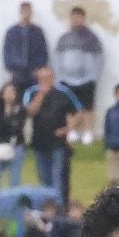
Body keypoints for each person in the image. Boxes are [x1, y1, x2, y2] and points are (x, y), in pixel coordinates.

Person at [24, 67, 76, 203]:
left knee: (58, 178)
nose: (44, 81)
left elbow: (76, 114)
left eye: (47, 78)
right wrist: (40, 95)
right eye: (41, 78)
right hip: (39, 142)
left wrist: (67, 129)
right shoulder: (32, 92)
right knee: (43, 179)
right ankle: (47, 207)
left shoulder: (64, 93)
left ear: (53, 78)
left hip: (58, 142)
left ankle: (59, 208)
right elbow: (29, 112)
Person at [55, 7, 104, 145]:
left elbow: (100, 58)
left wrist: (94, 76)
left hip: (87, 78)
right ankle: (72, 131)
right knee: (70, 107)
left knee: (88, 107)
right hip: (67, 79)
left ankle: (88, 132)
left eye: (79, 17)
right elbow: (58, 57)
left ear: (83, 18)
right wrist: (60, 76)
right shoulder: (64, 38)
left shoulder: (92, 38)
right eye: (74, 17)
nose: (76, 20)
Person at [0, 81, 27, 195]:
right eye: (6, 92)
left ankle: (14, 208)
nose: (9, 95)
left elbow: (17, 127)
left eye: (11, 92)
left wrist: (9, 116)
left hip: (15, 147)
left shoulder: (20, 110)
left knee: (14, 182)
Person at [4, 2, 50, 93]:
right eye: (24, 11)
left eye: (29, 11)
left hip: (34, 74)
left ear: (32, 13)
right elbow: (7, 52)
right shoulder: (12, 32)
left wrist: (39, 68)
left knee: (33, 98)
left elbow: (43, 51)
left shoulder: (37, 31)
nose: (26, 13)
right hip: (17, 74)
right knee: (18, 98)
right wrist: (12, 69)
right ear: (20, 12)